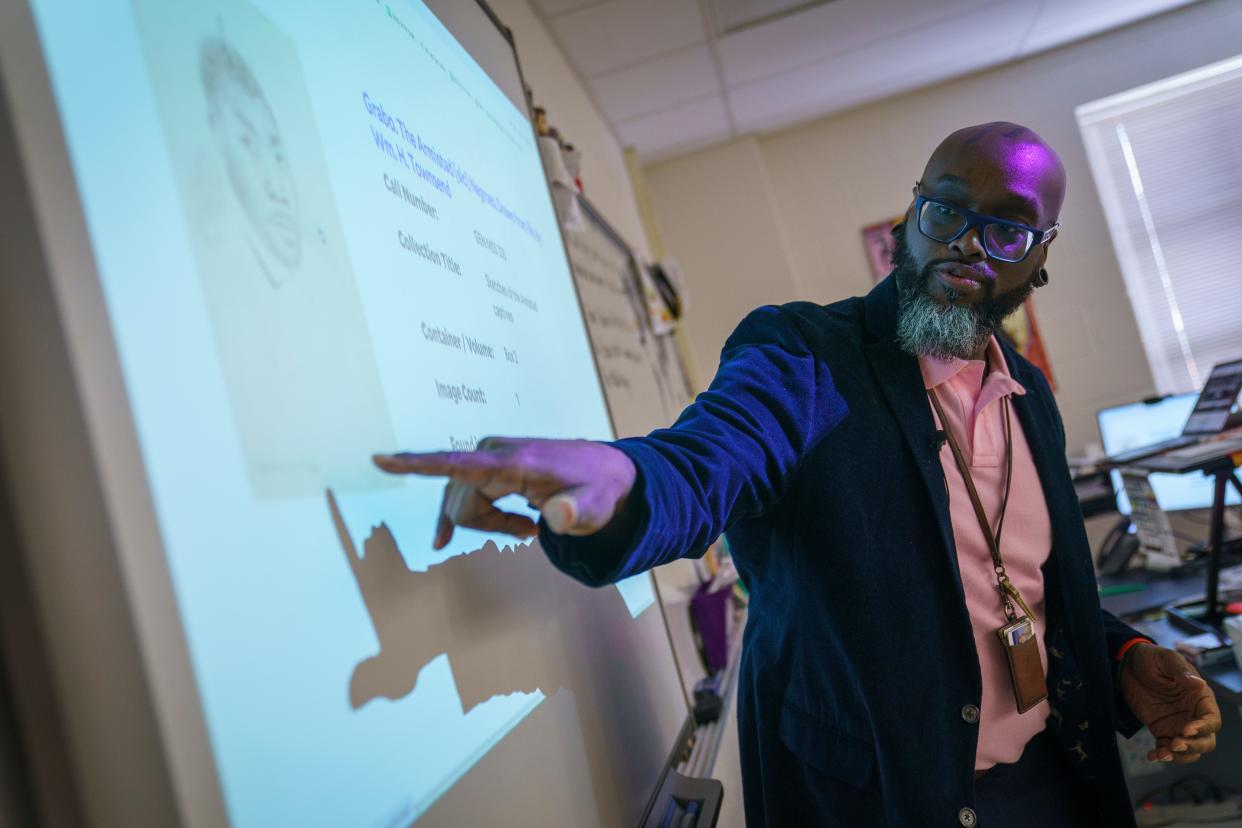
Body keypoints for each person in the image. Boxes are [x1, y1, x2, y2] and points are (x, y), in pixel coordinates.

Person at [372, 122, 1221, 826]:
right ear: (907, 219)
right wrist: (624, 482)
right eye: (945, 212)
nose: (965, 244)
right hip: (885, 805)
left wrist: (1126, 656)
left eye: (1004, 229)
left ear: (1038, 259)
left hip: (1055, 788)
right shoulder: (809, 355)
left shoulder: (1029, 392)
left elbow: (1028, 595)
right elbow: (711, 457)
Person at [202, 35, 301, 288]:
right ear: (217, 139)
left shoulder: (328, 277)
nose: (278, 190)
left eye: (279, 156)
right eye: (248, 144)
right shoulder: (215, 271)